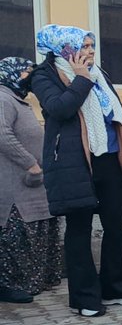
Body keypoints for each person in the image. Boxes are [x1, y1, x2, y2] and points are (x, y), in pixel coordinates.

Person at [28, 25, 122, 318]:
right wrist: (81, 79)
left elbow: (111, 115)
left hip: (110, 158)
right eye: (85, 46)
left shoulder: (99, 72)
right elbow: (60, 109)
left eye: (92, 45)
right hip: (74, 162)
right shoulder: (45, 75)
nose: (91, 51)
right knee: (79, 230)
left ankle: (115, 288)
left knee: (117, 224)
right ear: (65, 48)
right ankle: (84, 297)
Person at [0, 57, 63, 304]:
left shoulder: (16, 99)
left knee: (34, 233)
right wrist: (31, 163)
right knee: (15, 235)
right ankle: (8, 286)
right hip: (16, 185)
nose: (30, 77)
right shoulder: (3, 97)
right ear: (11, 73)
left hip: (32, 185)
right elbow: (2, 135)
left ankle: (33, 281)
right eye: (27, 72)